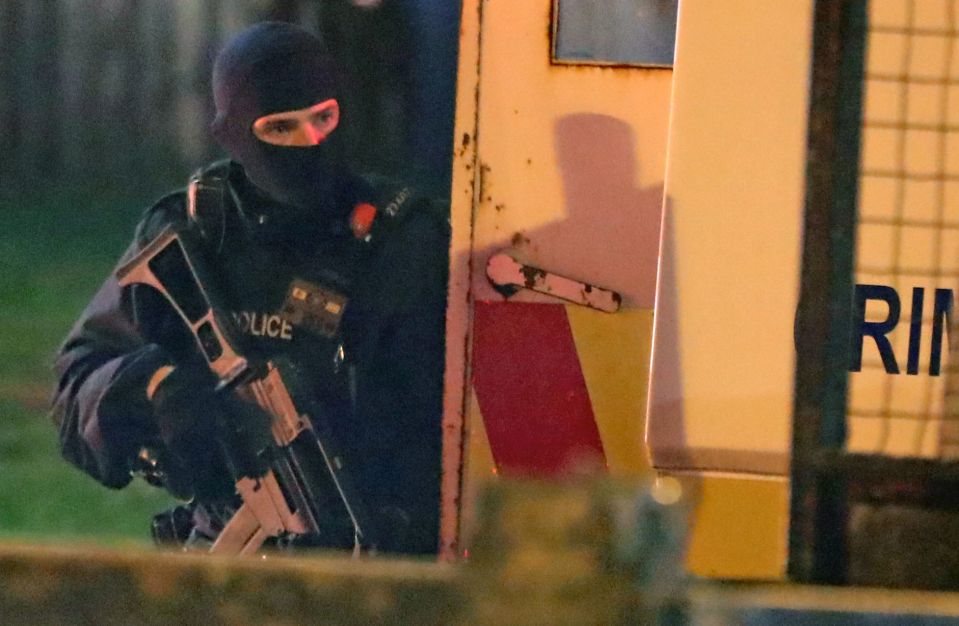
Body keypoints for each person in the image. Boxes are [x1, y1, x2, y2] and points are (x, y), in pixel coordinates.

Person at [50, 22, 448, 556]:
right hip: (230, 546)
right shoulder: (193, 235)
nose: (311, 143)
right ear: (234, 134)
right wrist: (155, 390)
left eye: (324, 117)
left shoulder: (405, 240)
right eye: (280, 128)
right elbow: (79, 380)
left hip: (377, 553)